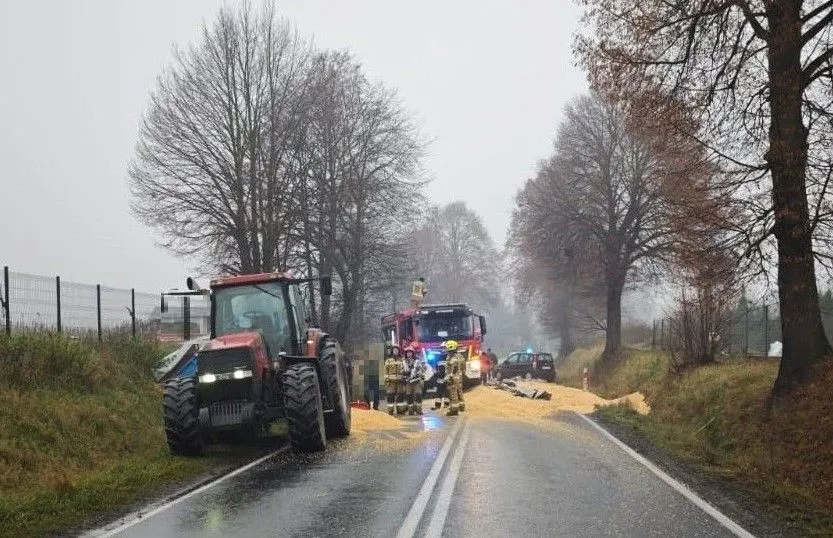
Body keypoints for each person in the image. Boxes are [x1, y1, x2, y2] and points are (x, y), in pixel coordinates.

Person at [442, 340, 466, 416]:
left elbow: (454, 367)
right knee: (459, 391)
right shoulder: (460, 356)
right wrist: (462, 373)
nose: (446, 349)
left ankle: (454, 410)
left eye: (446, 348)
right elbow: (463, 367)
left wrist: (450, 376)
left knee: (453, 393)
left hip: (453, 377)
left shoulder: (452, 357)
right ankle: (461, 406)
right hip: (459, 376)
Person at [403, 346, 425, 415]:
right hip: (408, 382)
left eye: (410, 352)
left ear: (413, 353)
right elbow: (401, 370)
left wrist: (418, 374)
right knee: (409, 396)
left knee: (418, 395)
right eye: (407, 353)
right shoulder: (403, 362)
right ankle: (410, 411)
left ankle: (419, 410)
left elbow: (422, 370)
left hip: (416, 381)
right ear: (406, 354)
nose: (409, 354)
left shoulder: (417, 361)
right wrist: (404, 373)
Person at [384, 346, 406, 415]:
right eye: (394, 350)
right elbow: (385, 371)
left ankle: (400, 410)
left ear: (399, 351)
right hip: (391, 382)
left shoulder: (402, 360)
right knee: (390, 396)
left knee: (400, 396)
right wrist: (386, 380)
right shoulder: (388, 360)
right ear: (392, 351)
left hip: (400, 381)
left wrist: (404, 379)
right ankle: (390, 411)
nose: (395, 351)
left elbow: (405, 370)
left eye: (397, 350)